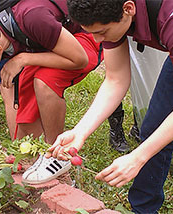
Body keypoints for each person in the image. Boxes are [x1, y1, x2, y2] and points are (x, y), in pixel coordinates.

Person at [0, 0, 103, 184]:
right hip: (48, 44)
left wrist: (24, 58)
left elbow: (80, 59)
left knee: (44, 81)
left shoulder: (32, 17)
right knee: (23, 141)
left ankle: (55, 156)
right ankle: (43, 161)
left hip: (82, 38)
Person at [47, 0, 173, 213]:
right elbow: (116, 78)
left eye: (102, 32)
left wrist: (138, 157)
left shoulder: (167, 17)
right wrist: (80, 131)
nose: (97, 40)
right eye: (92, 33)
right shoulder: (111, 12)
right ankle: (143, 209)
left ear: (128, 9)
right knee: (153, 129)